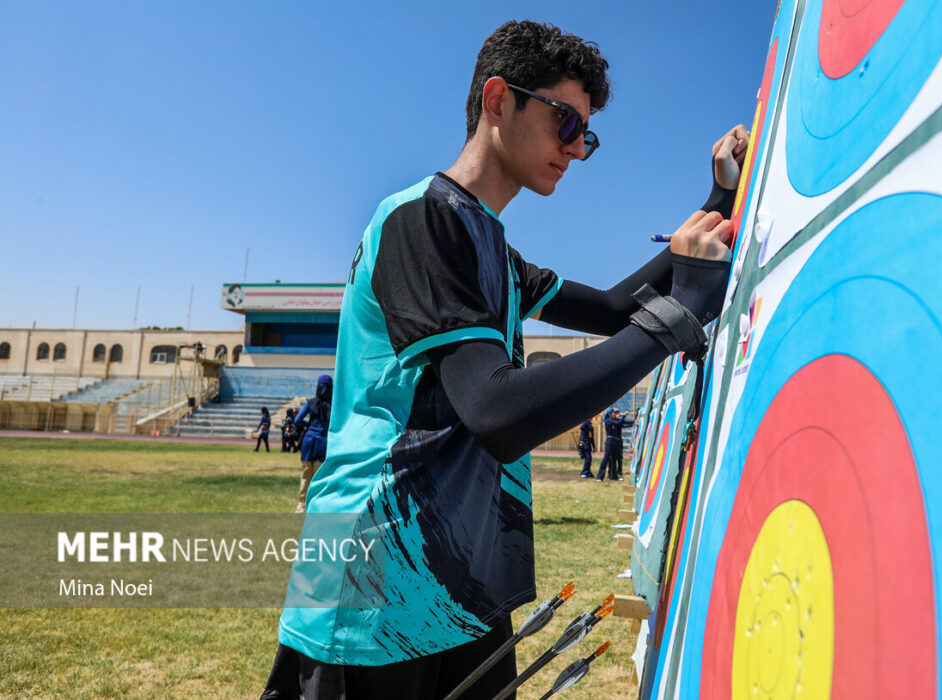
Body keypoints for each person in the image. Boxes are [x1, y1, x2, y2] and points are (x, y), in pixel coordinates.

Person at [261, 19, 747, 700]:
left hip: (458, 576)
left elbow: (610, 308)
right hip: (378, 576)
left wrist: (718, 202)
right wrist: (676, 321)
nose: (576, 150)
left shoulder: (490, 244)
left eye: (587, 134)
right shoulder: (424, 220)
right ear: (498, 100)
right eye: (565, 122)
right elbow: (496, 409)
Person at [293, 375, 332, 514]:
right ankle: (315, 508)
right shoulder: (334, 405)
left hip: (308, 442)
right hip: (324, 443)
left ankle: (301, 506)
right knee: (319, 477)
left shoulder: (310, 403)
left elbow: (297, 420)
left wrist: (308, 426)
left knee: (305, 476)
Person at [596, 408, 633, 481]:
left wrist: (632, 423)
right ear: (609, 414)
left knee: (614, 459)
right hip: (610, 441)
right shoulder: (608, 420)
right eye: (613, 413)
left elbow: (622, 423)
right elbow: (619, 423)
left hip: (615, 441)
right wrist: (624, 415)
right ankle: (600, 476)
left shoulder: (614, 420)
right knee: (606, 458)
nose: (615, 414)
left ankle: (613, 476)